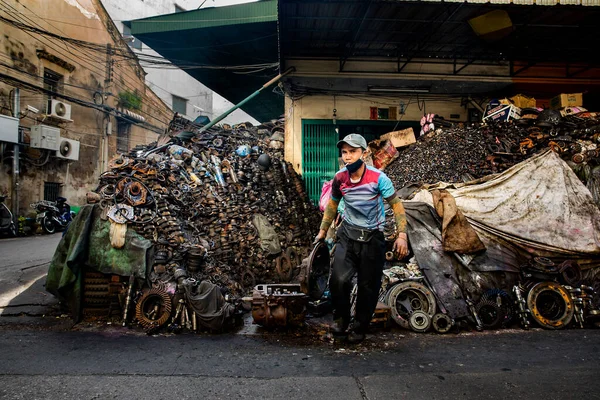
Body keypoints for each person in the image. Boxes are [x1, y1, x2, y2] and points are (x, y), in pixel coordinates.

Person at [314, 133, 408, 343]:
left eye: (353, 151)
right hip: (347, 234)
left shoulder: (379, 179)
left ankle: (360, 326)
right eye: (344, 152)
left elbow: (397, 205)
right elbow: (332, 204)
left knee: (368, 286)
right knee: (339, 279)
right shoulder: (340, 178)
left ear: (364, 153)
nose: (347, 157)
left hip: (372, 239)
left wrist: (402, 235)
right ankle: (341, 321)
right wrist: (322, 231)